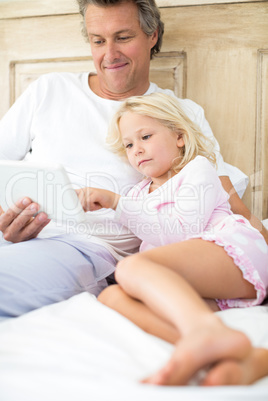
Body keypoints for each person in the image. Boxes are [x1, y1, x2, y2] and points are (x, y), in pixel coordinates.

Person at [0, 0, 267, 319]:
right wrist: (7, 221)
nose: (109, 55)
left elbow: (227, 199)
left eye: (123, 37)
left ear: (152, 35)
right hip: (17, 238)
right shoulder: (47, 89)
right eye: (98, 40)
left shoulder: (179, 115)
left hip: (84, 250)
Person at [75, 92, 268, 386]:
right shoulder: (138, 195)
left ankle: (208, 333)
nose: (137, 149)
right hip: (201, 281)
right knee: (111, 295)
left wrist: (117, 202)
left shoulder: (197, 170)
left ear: (179, 136)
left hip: (236, 254)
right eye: (129, 144)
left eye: (146, 137)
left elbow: (182, 232)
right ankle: (234, 357)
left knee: (131, 268)